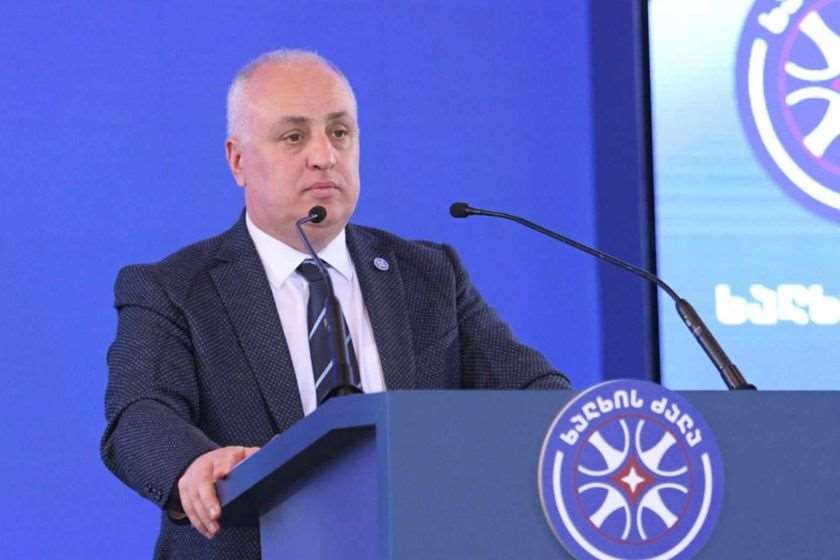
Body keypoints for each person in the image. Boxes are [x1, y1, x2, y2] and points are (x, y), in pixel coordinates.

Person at [101, 49, 570, 559]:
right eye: (294, 136)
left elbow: (534, 393)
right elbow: (139, 413)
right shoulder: (173, 289)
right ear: (238, 160)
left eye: (340, 132)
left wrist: (586, 434)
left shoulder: (428, 274)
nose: (324, 155)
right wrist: (191, 464)